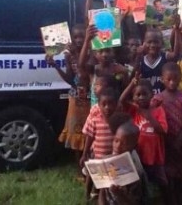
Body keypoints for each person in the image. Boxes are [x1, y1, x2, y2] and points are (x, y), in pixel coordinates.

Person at [120, 77, 169, 203]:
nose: (141, 97)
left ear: (152, 95)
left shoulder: (158, 110)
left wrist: (147, 114)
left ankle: (168, 199)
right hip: (140, 155)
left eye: (144, 94)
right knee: (141, 180)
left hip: (156, 156)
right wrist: (131, 84)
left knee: (162, 181)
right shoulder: (133, 110)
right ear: (134, 97)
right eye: (138, 95)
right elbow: (121, 100)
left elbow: (162, 130)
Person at [151, 62, 182, 204]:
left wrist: (181, 136)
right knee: (167, 175)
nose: (172, 82)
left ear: (180, 78)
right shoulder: (158, 99)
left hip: (181, 143)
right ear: (162, 79)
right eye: (168, 79)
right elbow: (153, 117)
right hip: (165, 143)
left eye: (175, 79)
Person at [46, 24, 90, 154]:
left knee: (90, 131)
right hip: (76, 97)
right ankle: (79, 166)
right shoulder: (68, 55)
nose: (78, 40)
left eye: (81, 37)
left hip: (90, 96)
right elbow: (70, 80)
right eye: (75, 37)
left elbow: (87, 72)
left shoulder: (92, 53)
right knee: (75, 131)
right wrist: (55, 66)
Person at [80, 88, 119, 201]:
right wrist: (85, 153)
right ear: (99, 105)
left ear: (116, 105)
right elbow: (89, 137)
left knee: (106, 181)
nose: (107, 107)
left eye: (111, 104)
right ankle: (87, 195)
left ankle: (103, 197)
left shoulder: (117, 120)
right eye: (104, 104)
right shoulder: (95, 120)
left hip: (112, 158)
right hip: (97, 156)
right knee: (91, 176)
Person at [98, 121, 148, 205]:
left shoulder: (136, 173)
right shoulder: (108, 161)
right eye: (116, 140)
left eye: (124, 143)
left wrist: (119, 194)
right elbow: (102, 191)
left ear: (134, 147)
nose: (118, 146)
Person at [79, 25, 128, 106]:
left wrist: (125, 74)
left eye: (108, 51)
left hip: (114, 113)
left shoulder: (120, 70)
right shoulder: (93, 70)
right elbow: (81, 64)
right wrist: (87, 40)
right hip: (96, 115)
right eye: (100, 51)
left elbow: (125, 90)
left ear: (113, 52)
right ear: (95, 54)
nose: (104, 55)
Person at [136, 25, 181, 95]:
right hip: (147, 102)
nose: (153, 45)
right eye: (149, 42)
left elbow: (176, 55)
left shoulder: (165, 57)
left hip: (164, 101)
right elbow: (134, 77)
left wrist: (177, 30)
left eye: (156, 42)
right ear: (144, 43)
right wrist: (138, 56)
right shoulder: (141, 60)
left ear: (162, 43)